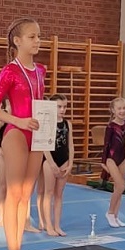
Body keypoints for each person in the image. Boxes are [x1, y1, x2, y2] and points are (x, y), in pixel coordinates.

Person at [0, 18, 46, 250]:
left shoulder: (41, 70)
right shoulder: (10, 71)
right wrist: (18, 121)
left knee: (26, 195)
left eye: (39, 36)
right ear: (17, 41)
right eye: (32, 37)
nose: (37, 41)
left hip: (37, 135)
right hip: (17, 134)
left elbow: (39, 104)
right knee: (14, 193)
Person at [40, 94, 73, 236]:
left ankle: (57, 225)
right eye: (59, 107)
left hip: (64, 160)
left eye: (65, 107)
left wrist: (70, 163)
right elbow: (43, 144)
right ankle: (49, 225)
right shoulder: (46, 122)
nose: (62, 110)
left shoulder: (67, 124)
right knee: (49, 193)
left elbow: (70, 145)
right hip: (49, 160)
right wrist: (52, 163)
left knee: (59, 195)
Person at [101, 98, 125, 228]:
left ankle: (116, 216)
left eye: (124, 108)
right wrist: (103, 162)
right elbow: (106, 145)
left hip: (122, 158)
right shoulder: (111, 126)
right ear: (113, 110)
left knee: (118, 189)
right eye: (119, 108)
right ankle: (109, 212)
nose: (122, 111)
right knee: (120, 186)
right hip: (111, 159)